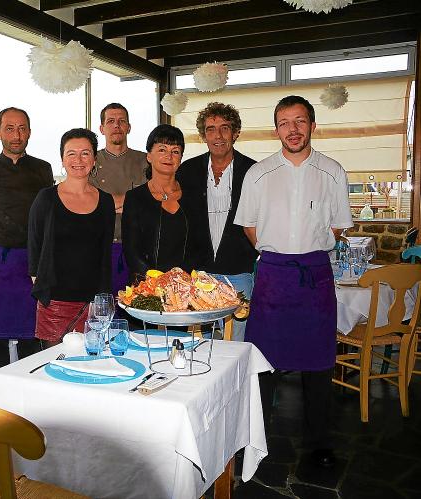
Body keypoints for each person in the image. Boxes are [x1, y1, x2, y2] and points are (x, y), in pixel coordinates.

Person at [234, 95, 353, 468]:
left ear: (312, 125)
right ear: (276, 130)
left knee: (319, 363)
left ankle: (319, 442)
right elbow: (251, 228)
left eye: (300, 121)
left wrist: (306, 250)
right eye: (284, 122)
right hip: (273, 275)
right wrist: (281, 255)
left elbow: (336, 225)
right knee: (263, 360)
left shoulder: (333, 171)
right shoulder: (259, 173)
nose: (293, 129)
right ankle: (257, 436)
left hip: (316, 274)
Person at [0, 107, 54, 369]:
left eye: (22, 128)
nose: (17, 135)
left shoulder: (42, 169)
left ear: (29, 133)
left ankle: (30, 391)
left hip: (31, 263)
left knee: (31, 331)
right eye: (10, 128)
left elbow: (47, 215)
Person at [176, 102, 258, 341]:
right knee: (200, 344)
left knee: (238, 342)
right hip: (200, 274)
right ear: (203, 135)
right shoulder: (187, 171)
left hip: (239, 271)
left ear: (235, 133)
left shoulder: (253, 172)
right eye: (211, 129)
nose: (218, 135)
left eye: (224, 128)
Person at [29, 128, 115, 346]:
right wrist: (40, 284)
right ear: (62, 159)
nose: (78, 159)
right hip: (55, 301)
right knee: (54, 368)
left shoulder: (105, 201)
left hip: (93, 302)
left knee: (92, 366)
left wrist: (103, 301)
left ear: (95, 159)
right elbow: (34, 244)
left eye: (85, 153)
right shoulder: (46, 198)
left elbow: (105, 253)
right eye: (71, 153)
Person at [122, 124, 205, 284]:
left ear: (181, 158)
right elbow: (132, 252)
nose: (169, 156)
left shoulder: (194, 196)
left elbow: (201, 246)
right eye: (162, 149)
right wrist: (157, 281)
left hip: (186, 286)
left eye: (175, 151)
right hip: (147, 287)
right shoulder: (135, 198)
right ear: (149, 156)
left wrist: (181, 279)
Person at [89, 103, 148, 295]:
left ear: (129, 127)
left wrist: (107, 203)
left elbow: (151, 202)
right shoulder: (90, 161)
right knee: (103, 307)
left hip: (139, 248)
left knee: (137, 307)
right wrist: (133, 201)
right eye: (111, 121)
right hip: (100, 247)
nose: (117, 126)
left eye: (122, 121)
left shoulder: (145, 161)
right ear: (101, 128)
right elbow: (89, 204)